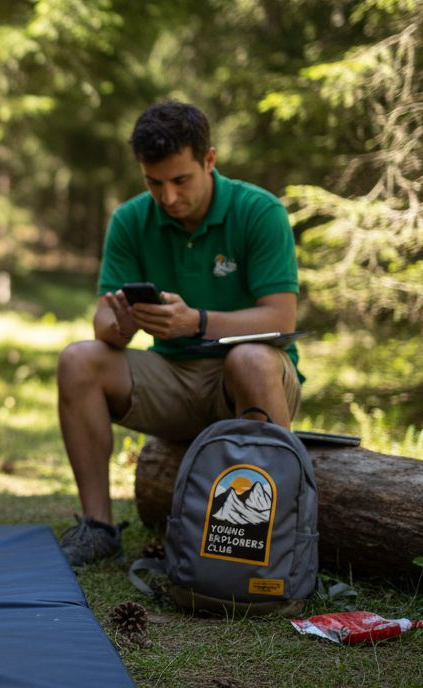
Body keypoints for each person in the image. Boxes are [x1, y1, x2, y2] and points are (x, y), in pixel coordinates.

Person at [55, 100, 302, 566]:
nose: (167, 197)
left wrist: (199, 321)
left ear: (209, 160)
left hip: (254, 379)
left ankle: (277, 538)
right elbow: (103, 322)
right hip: (171, 376)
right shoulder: (130, 220)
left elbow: (280, 320)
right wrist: (120, 325)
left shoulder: (259, 211)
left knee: (248, 358)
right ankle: (98, 528)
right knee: (77, 358)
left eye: (180, 180)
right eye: (154, 183)